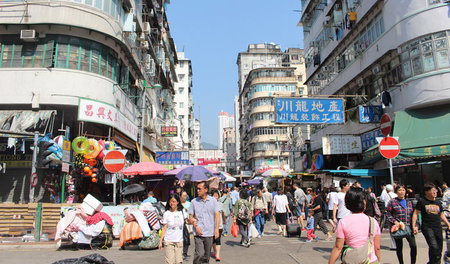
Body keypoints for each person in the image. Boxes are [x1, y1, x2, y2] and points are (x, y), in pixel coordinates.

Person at [328, 187, 381, 264]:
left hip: (351, 260)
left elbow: (338, 247)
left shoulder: (343, 222)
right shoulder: (372, 221)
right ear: (364, 203)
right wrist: (378, 260)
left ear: (347, 204)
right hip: (370, 260)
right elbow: (377, 248)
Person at [412, 182, 450, 264]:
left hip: (438, 227)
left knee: (439, 248)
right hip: (427, 227)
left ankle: (434, 262)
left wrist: (448, 224)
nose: (435, 192)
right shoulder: (422, 201)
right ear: (427, 192)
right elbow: (415, 213)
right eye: (433, 191)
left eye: (435, 190)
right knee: (433, 246)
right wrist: (414, 226)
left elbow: (441, 214)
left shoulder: (438, 202)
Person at [189, 182, 220, 264]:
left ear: (206, 190)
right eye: (197, 189)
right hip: (198, 233)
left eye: (200, 189)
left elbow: (217, 215)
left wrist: (216, 229)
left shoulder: (213, 201)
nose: (198, 191)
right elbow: (191, 217)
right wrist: (196, 226)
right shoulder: (194, 202)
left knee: (206, 256)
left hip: (209, 233)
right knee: (199, 254)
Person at [386, 184, 417, 264]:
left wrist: (415, 226)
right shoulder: (392, 202)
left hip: (409, 227)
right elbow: (388, 214)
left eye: (403, 190)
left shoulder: (409, 202)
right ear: (396, 192)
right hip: (398, 227)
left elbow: (414, 215)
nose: (402, 192)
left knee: (413, 246)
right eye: (400, 190)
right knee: (399, 247)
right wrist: (394, 221)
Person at [159, 194, 188, 264]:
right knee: (170, 262)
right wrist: (160, 241)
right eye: (170, 202)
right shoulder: (166, 213)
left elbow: (187, 221)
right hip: (169, 241)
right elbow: (164, 227)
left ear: (178, 202)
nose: (172, 203)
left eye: (174, 201)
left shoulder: (182, 212)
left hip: (179, 241)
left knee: (179, 261)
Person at [211, 190, 225, 262]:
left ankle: (218, 255)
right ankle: (215, 251)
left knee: (218, 239)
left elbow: (223, 213)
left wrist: (224, 221)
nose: (215, 197)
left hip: (219, 225)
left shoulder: (220, 204)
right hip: (211, 225)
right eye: (214, 195)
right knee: (213, 240)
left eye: (217, 195)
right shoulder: (209, 204)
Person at [180, 191, 191, 259]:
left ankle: (184, 253)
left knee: (187, 239)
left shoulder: (190, 204)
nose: (185, 197)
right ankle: (181, 253)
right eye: (184, 195)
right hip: (180, 224)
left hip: (188, 223)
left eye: (186, 195)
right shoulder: (178, 205)